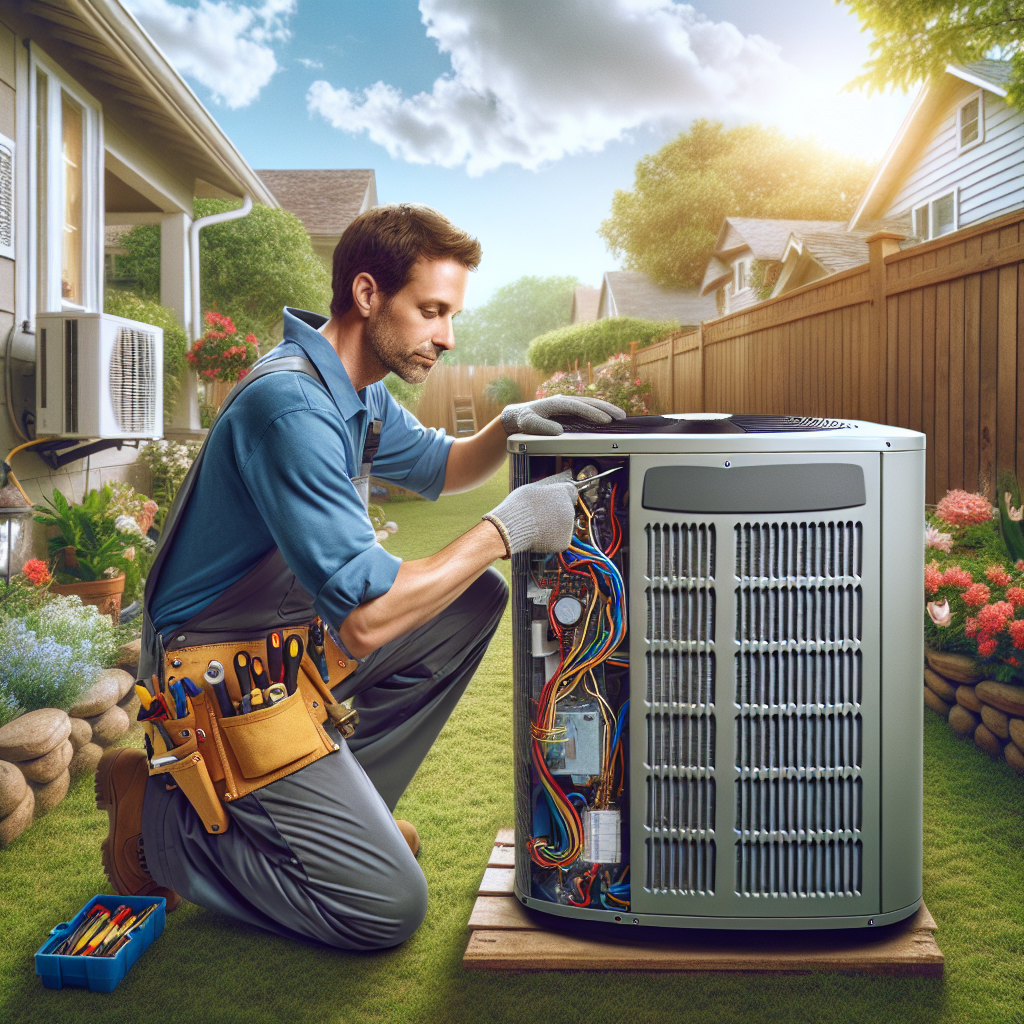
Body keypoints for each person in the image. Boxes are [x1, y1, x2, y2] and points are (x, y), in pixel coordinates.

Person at [95, 204, 624, 950]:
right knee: (387, 911)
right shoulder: (292, 408)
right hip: (213, 682)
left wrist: (507, 423)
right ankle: (164, 824)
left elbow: (441, 466)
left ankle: (341, 823)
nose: (446, 335)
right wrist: (504, 530)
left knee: (470, 602)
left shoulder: (354, 390)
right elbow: (367, 621)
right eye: (432, 311)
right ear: (368, 294)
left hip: (283, 648)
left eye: (451, 314)